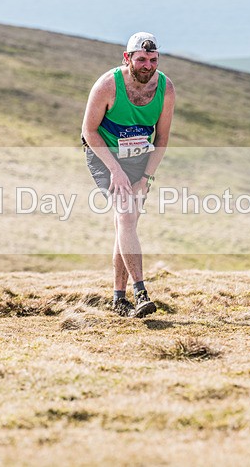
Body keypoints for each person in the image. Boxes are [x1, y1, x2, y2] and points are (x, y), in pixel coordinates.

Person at [81, 32, 176, 318]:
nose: (148, 65)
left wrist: (146, 178)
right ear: (127, 58)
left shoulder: (165, 89)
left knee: (127, 223)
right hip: (105, 154)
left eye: (153, 60)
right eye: (142, 59)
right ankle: (140, 291)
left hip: (139, 157)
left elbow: (162, 138)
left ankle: (118, 298)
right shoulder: (107, 85)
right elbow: (89, 130)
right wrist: (115, 171)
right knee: (125, 215)